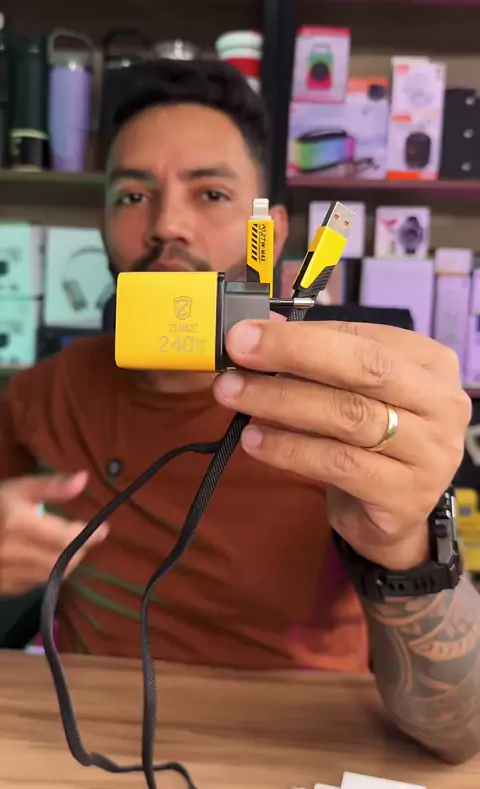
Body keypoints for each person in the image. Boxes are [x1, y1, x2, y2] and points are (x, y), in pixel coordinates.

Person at [0, 59, 477, 764]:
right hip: (85, 739)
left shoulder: (353, 412)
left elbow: (459, 733)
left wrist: (406, 546)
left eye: (212, 193)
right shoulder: (41, 392)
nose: (166, 226)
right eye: (133, 195)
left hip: (298, 748)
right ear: (101, 220)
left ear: (270, 232)